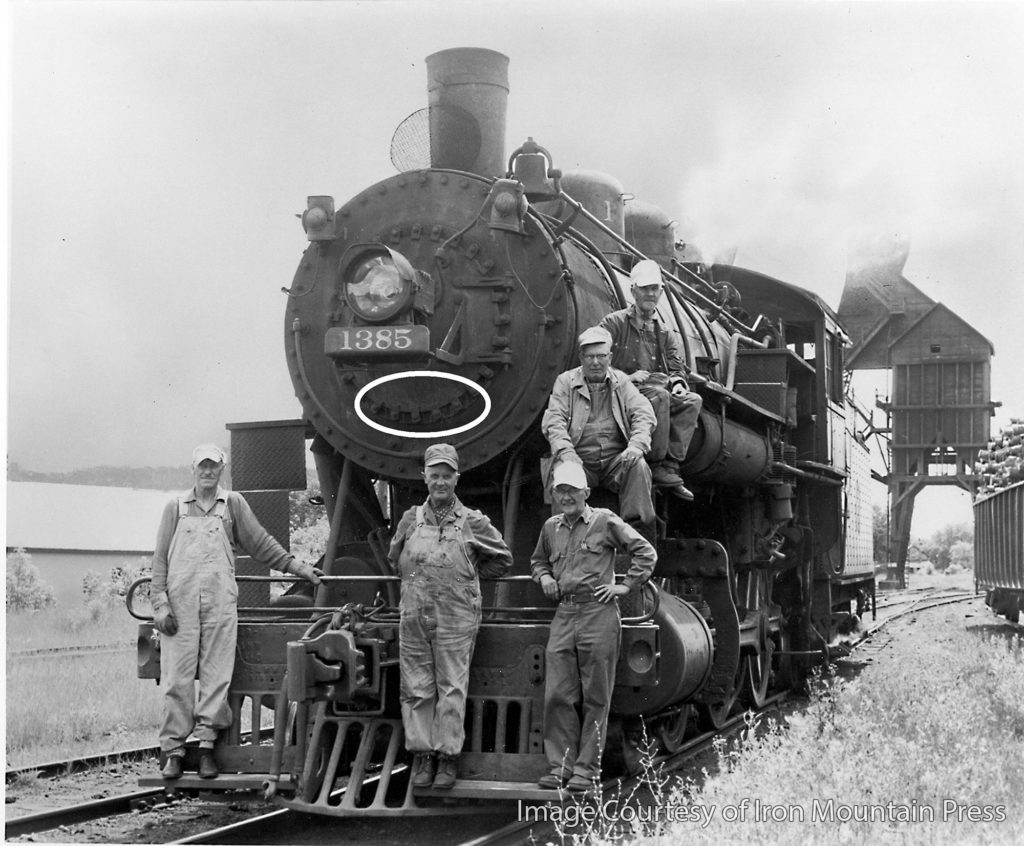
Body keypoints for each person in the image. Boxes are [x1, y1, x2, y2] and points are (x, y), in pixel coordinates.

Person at [150, 444, 323, 780]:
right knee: (176, 680)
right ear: (193, 469)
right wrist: (160, 604)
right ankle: (172, 750)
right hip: (179, 609)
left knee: (217, 677)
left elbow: (261, 544)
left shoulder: (233, 505)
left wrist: (298, 568)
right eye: (202, 466)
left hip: (220, 606)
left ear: (222, 470)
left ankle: (206, 749)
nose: (208, 472)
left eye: (214, 466)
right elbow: (159, 561)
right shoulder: (174, 508)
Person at [388, 443, 513, 790]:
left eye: (446, 476)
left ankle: (447, 759)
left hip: (456, 616)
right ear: (424, 477)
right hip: (414, 615)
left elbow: (502, 559)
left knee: (451, 688)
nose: (440, 482)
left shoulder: (473, 521)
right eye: (434, 475)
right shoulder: (410, 520)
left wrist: (468, 577)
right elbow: (394, 558)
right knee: (414, 688)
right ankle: (422, 757)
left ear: (456, 478)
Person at [531, 461, 657, 792]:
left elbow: (645, 551)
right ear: (554, 494)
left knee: (596, 695)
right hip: (565, 613)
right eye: (561, 490)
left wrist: (626, 586)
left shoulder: (604, 521)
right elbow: (538, 561)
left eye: (573, 490)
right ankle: (560, 767)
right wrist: (544, 576)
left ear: (586, 492)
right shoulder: (550, 528)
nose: (566, 496)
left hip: (598, 614)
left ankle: (586, 770)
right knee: (558, 693)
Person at [599, 258, 703, 500]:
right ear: (633, 290)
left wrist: (678, 383)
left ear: (661, 292)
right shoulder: (613, 323)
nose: (650, 293)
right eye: (644, 288)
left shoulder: (665, 332)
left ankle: (670, 465)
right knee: (660, 397)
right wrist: (627, 377)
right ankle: (656, 465)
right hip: (620, 391)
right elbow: (595, 359)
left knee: (692, 400)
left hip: (656, 389)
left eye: (654, 289)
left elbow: (677, 367)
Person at [541, 325, 658, 535]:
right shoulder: (565, 382)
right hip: (579, 459)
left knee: (638, 466)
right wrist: (567, 453)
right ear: (581, 357)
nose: (595, 362)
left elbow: (643, 412)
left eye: (601, 356)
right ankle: (564, 538)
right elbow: (553, 421)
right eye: (589, 356)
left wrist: (637, 445)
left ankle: (635, 536)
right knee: (563, 471)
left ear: (610, 357)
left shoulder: (621, 381)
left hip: (615, 461)